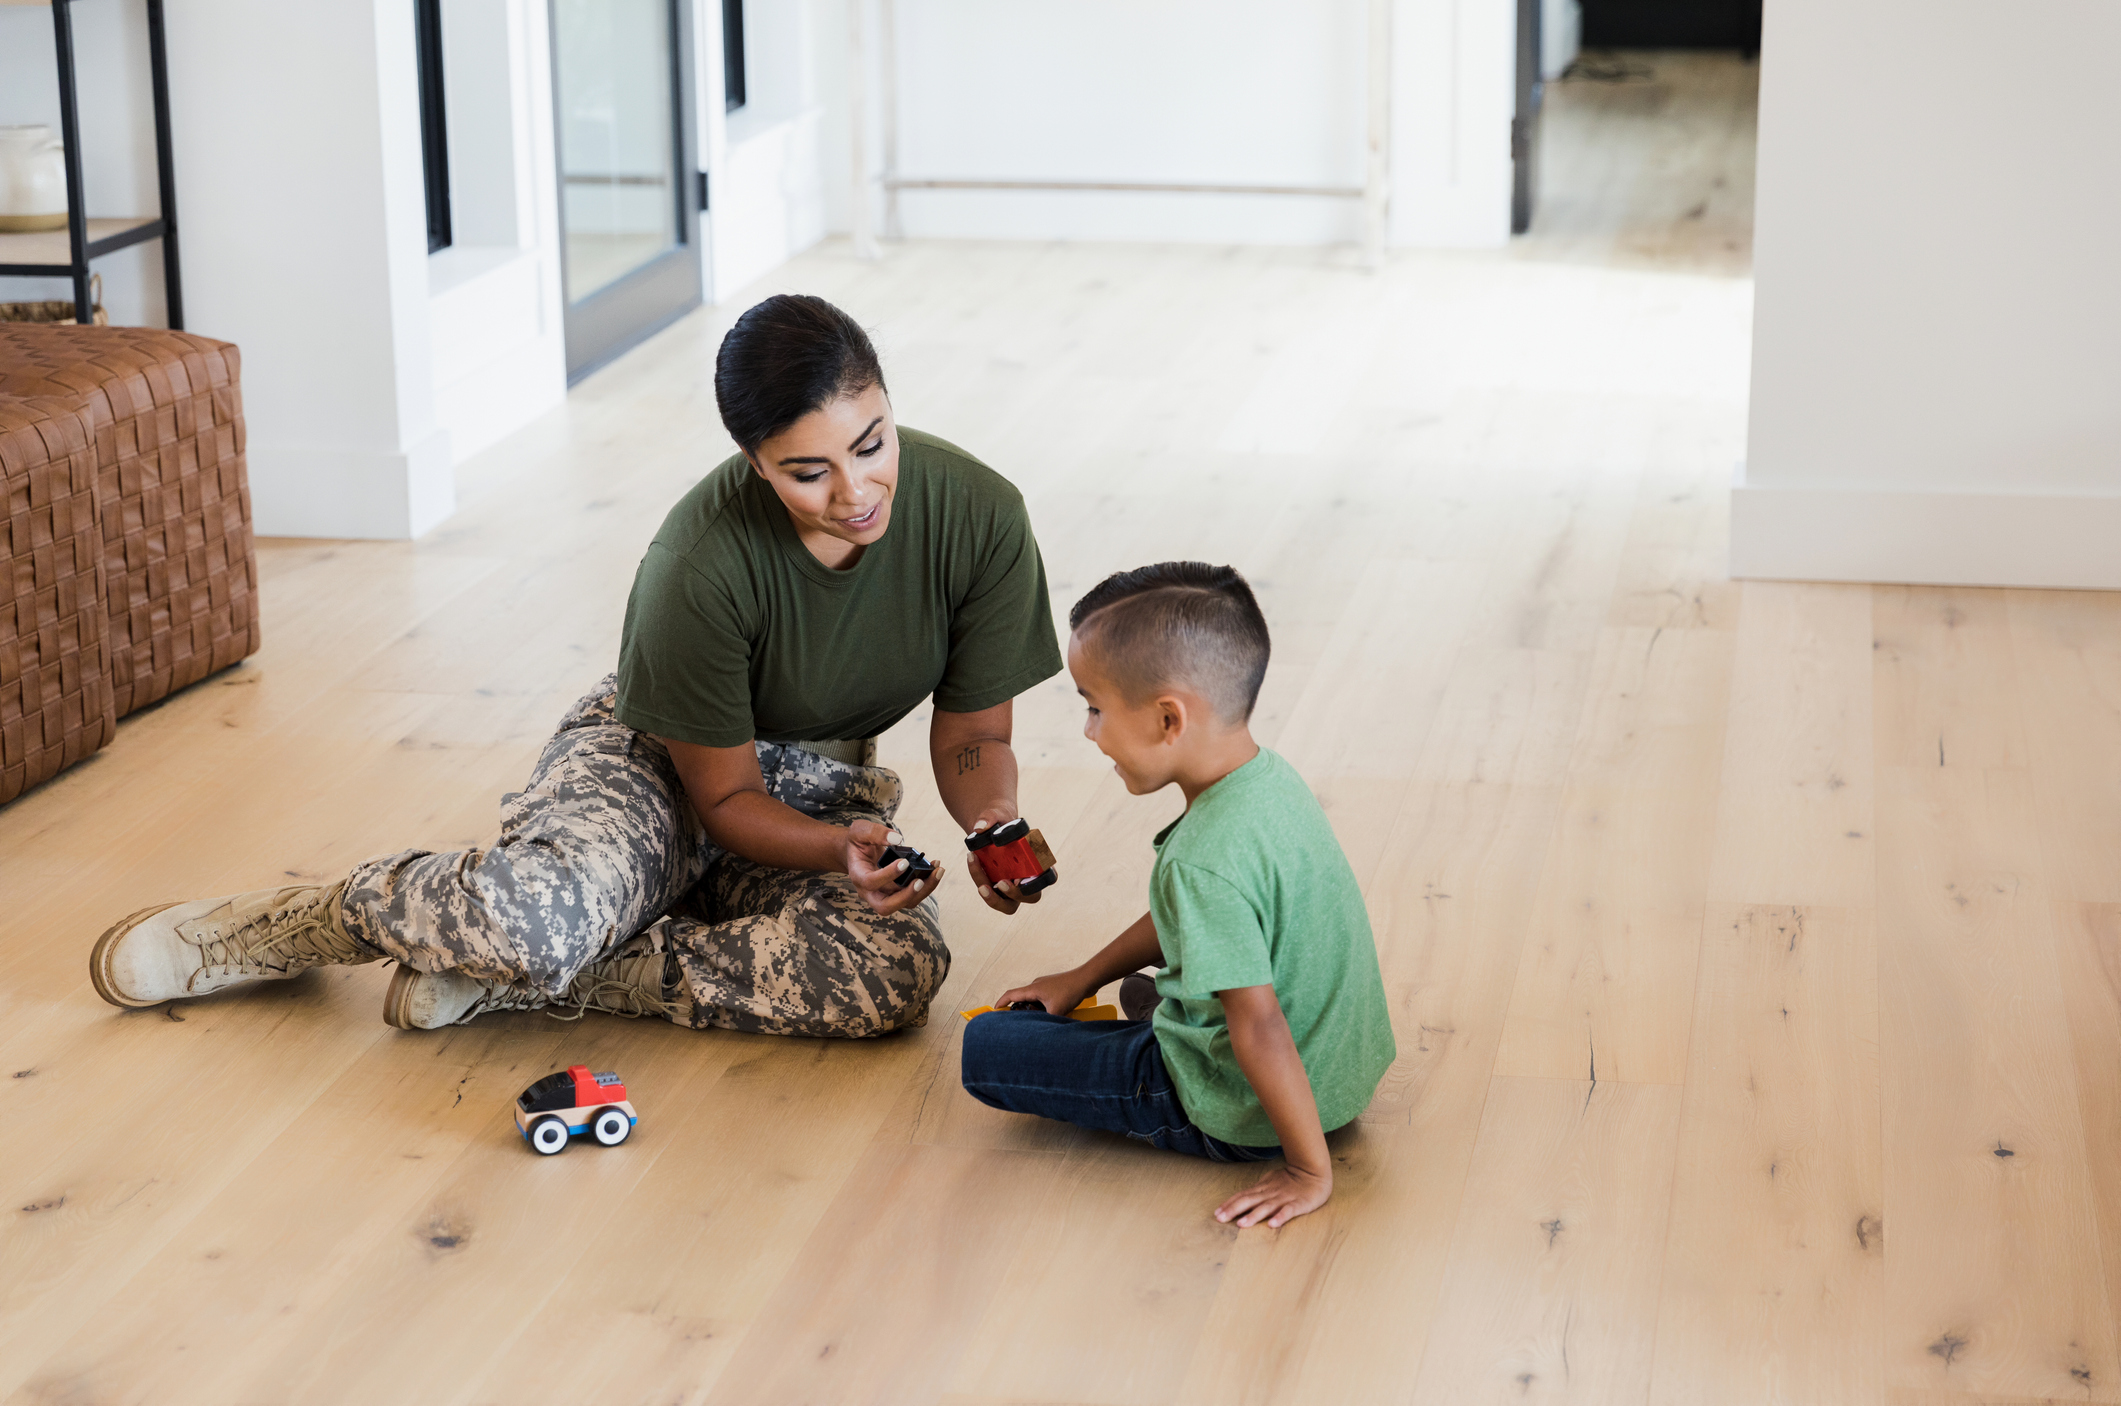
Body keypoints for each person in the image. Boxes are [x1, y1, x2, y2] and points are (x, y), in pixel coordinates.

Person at [90, 295, 1063, 1038]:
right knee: (535, 918)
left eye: (871, 443)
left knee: (890, 973)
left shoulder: (978, 514)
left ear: (888, 406)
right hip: (666, 765)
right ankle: (308, 921)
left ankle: (566, 970)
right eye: (809, 471)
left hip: (819, 793)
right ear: (754, 463)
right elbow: (720, 801)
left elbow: (975, 733)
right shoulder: (699, 561)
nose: (856, 490)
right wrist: (830, 849)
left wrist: (989, 824)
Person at [960, 563, 1395, 1228]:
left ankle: (1169, 1043)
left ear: (1168, 717)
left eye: (1093, 707)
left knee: (986, 1046)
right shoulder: (1269, 782)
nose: (1087, 730)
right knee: (1156, 985)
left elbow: (1258, 1024)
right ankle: (1160, 1012)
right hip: (1335, 1075)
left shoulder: (1201, 861)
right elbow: (1203, 919)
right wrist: (1079, 979)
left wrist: (1308, 1171)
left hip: (1235, 1110)